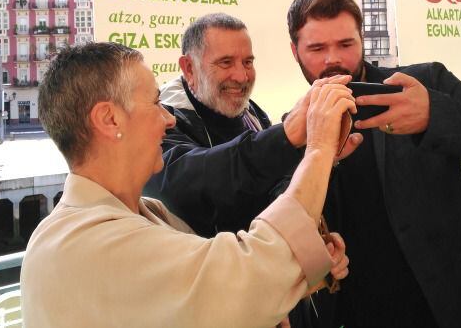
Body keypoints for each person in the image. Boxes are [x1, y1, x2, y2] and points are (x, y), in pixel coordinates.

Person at [20, 42, 356, 328]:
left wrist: (303, 269)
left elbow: (222, 295)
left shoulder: (145, 215)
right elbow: (248, 274)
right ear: (109, 119)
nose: (168, 119)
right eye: (154, 103)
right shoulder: (85, 242)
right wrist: (319, 146)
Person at [286, 0, 461, 328]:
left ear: (362, 40)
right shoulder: (294, 130)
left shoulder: (421, 84)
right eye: (316, 48)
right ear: (295, 51)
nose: (333, 59)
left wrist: (436, 114)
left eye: (346, 44)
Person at [145, 13, 362, 237]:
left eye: (248, 62)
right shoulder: (162, 119)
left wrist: (316, 155)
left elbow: (270, 191)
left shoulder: (252, 113)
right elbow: (191, 184)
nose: (241, 76)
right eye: (226, 62)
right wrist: (285, 137)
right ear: (189, 68)